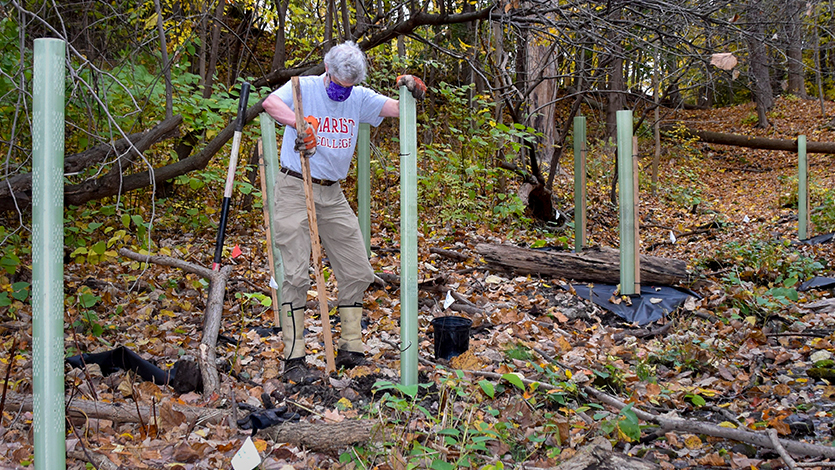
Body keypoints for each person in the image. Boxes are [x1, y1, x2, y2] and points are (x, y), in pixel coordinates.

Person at [262, 41, 425, 382]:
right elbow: (269, 103)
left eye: (347, 88)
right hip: (295, 187)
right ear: (327, 72)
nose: (341, 93)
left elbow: (397, 108)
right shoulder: (304, 88)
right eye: (336, 85)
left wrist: (412, 90)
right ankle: (294, 358)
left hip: (332, 194)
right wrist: (298, 123)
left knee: (357, 269)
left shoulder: (360, 97)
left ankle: (351, 347)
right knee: (294, 274)